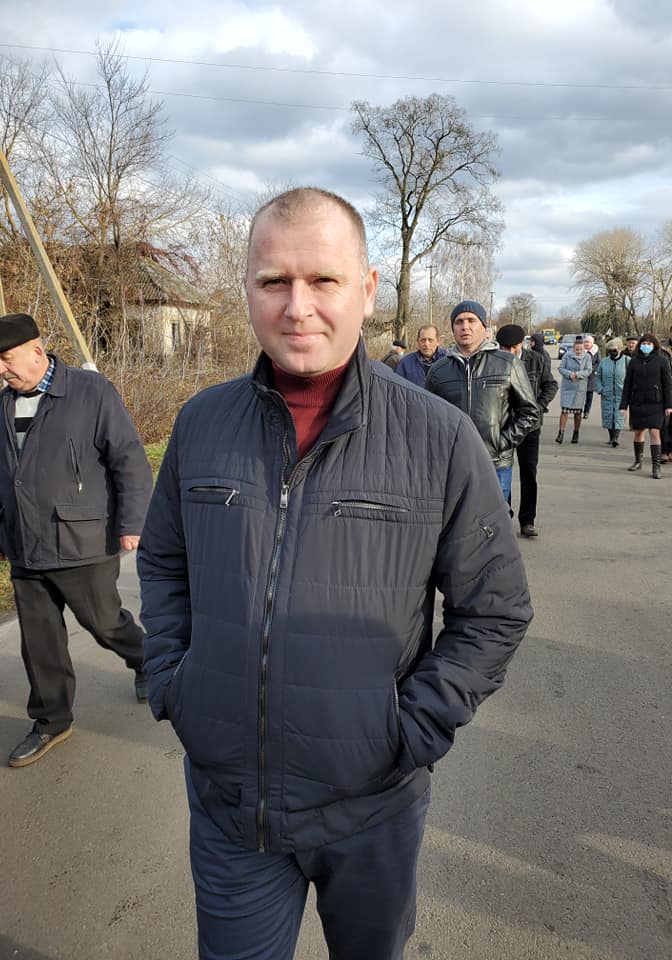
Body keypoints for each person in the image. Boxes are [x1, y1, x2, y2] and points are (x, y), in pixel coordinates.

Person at [137, 188, 532, 960]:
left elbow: (495, 610)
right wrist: (175, 680)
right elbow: (162, 559)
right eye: (273, 281)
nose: (298, 307)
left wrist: (410, 729)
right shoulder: (202, 423)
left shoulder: (439, 438)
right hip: (230, 808)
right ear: (246, 289)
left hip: (372, 809)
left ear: (367, 289)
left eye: (323, 279)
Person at [0, 312, 153, 768]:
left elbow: (128, 457)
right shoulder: (2, 405)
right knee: (39, 640)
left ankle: (147, 660)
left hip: (81, 538)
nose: (2, 370)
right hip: (24, 543)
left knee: (104, 623)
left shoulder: (90, 391)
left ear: (36, 351)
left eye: (6, 358)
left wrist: (133, 522)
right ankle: (51, 720)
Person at [424, 300, 539, 502]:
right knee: (456, 519)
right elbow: (427, 417)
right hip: (453, 465)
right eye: (459, 322)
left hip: (496, 464)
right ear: (452, 329)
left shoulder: (508, 363)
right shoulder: (438, 371)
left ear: (484, 327)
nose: (465, 327)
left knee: (496, 518)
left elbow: (529, 411)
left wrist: (502, 442)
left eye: (471, 321)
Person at [496, 324, 558, 537]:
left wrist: (537, 407)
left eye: (513, 347)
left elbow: (551, 385)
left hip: (530, 427)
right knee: (502, 472)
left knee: (529, 472)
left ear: (521, 344)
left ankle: (527, 520)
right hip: (503, 424)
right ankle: (504, 516)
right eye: (505, 348)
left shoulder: (536, 360)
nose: (510, 352)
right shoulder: (495, 361)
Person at [619, 332, 672, 478]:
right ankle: (638, 461)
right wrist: (623, 405)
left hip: (656, 403)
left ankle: (656, 466)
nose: (646, 346)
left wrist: (669, 405)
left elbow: (667, 384)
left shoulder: (662, 361)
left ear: (654, 345)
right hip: (638, 402)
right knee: (639, 432)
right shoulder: (634, 361)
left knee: (655, 432)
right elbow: (627, 384)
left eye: (649, 344)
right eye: (643, 343)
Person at [556, 336, 592, 444]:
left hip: (579, 386)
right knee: (564, 410)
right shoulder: (567, 355)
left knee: (577, 412)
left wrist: (577, 374)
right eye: (577, 349)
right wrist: (569, 374)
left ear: (584, 349)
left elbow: (589, 370)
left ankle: (576, 432)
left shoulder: (587, 357)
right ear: (573, 348)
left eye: (581, 349)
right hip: (568, 386)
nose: (579, 351)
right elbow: (561, 368)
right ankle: (561, 433)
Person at [594, 338, 629, 447]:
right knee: (608, 414)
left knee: (619, 415)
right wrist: (600, 389)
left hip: (621, 393)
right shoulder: (604, 362)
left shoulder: (627, 361)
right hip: (607, 393)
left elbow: (632, 376)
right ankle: (611, 436)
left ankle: (615, 437)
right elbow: (598, 376)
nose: (612, 352)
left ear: (620, 349)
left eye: (614, 350)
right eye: (609, 350)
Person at [582, 334, 601, 418]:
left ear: (592, 343)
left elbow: (599, 362)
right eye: (585, 342)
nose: (587, 344)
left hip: (591, 376)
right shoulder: (580, 350)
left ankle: (586, 411)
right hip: (582, 375)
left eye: (588, 342)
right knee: (580, 395)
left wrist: (592, 369)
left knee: (589, 395)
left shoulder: (596, 351)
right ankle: (579, 410)